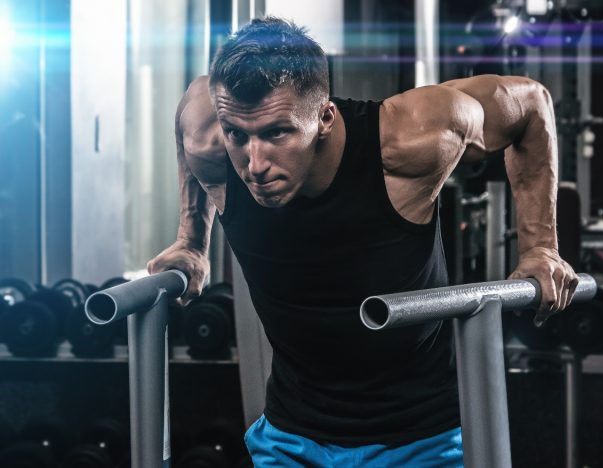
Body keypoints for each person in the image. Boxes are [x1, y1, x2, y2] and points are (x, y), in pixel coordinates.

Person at [148, 17, 579, 467]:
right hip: (289, 439)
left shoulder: (410, 138)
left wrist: (539, 246)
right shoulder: (209, 127)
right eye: (238, 134)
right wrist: (192, 242)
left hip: (421, 440)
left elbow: (531, 104)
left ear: (325, 119)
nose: (254, 163)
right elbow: (190, 120)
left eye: (277, 132)